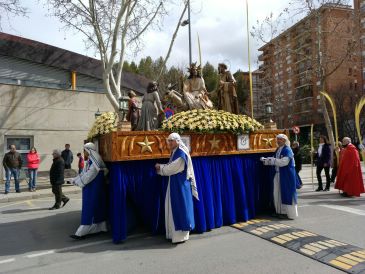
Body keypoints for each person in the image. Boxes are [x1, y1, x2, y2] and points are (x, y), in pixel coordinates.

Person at [155, 133, 198, 244]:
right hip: (175, 184)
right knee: (173, 207)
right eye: (168, 141)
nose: (169, 143)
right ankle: (172, 234)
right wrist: (163, 167)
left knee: (180, 207)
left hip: (180, 186)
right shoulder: (175, 152)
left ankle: (180, 236)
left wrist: (161, 167)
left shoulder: (181, 153)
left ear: (178, 141)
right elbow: (171, 165)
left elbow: (173, 168)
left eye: (171, 141)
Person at [71, 143, 108, 239]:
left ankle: (83, 231)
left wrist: (79, 182)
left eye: (85, 151)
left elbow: (90, 174)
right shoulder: (91, 160)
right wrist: (75, 180)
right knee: (96, 207)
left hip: (94, 187)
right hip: (92, 187)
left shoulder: (95, 159)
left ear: (89, 150)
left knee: (90, 207)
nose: (84, 153)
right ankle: (99, 227)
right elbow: (84, 172)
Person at [260, 134, 299, 220]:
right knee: (277, 193)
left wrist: (271, 160)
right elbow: (274, 160)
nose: (278, 141)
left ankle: (289, 214)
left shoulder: (287, 150)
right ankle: (280, 212)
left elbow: (283, 162)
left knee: (287, 193)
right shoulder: (278, 149)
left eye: (280, 139)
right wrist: (266, 160)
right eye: (277, 139)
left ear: (284, 141)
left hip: (286, 176)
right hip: (278, 174)